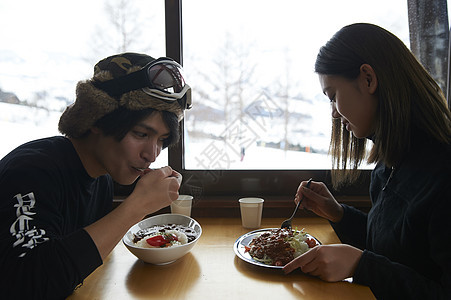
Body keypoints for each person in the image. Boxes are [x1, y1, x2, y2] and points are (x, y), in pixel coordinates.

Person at [0, 52, 192, 299]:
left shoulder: (101, 178)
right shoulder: (30, 172)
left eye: (161, 140)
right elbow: (27, 284)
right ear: (97, 119)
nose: (152, 154)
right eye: (141, 134)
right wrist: (136, 207)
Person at [283, 23, 451, 299]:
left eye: (333, 96)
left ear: (368, 79)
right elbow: (391, 249)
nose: (335, 114)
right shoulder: (390, 163)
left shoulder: (443, 173)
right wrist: (338, 213)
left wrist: (361, 265)